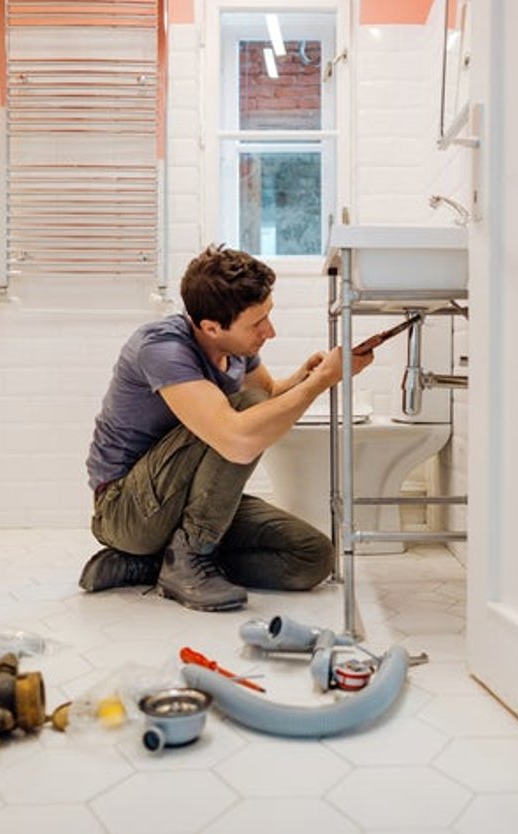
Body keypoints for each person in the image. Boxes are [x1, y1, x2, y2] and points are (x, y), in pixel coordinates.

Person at [79, 244, 374, 611]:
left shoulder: (237, 346)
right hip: (126, 509)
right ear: (211, 328)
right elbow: (237, 439)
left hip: (181, 499)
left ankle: (158, 563)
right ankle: (189, 557)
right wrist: (320, 383)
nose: (270, 331)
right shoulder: (162, 348)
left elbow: (268, 395)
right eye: (257, 323)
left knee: (311, 556)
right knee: (243, 414)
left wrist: (310, 376)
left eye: (267, 315)